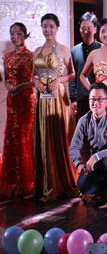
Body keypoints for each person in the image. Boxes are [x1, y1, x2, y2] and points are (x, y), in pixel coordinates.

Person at [30, 13, 79, 201]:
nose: (47, 30)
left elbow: (72, 74)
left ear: (57, 28)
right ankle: (45, 184)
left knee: (59, 136)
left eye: (51, 26)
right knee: (44, 137)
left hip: (58, 97)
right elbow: (34, 74)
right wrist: (36, 81)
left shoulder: (64, 49)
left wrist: (58, 80)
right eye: (45, 26)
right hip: (42, 98)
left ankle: (62, 181)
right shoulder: (36, 50)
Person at [69, 83, 107, 213]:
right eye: (93, 99)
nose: (96, 103)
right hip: (97, 163)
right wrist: (78, 164)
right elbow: (74, 147)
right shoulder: (84, 120)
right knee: (82, 185)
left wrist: (96, 156)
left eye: (100, 99)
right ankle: (103, 192)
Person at [0, 23, 35, 197]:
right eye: (12, 33)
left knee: (25, 138)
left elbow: (35, 81)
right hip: (12, 100)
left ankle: (26, 182)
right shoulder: (7, 57)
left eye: (18, 33)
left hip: (26, 99)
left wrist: (20, 86)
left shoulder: (32, 56)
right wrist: (9, 87)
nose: (15, 37)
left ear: (25, 35)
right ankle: (13, 182)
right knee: (12, 137)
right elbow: (6, 80)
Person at [79, 18, 107, 119]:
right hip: (99, 100)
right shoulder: (93, 54)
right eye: (103, 31)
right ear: (98, 33)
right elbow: (82, 75)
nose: (106, 34)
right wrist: (91, 89)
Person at [70, 12, 101, 119]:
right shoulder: (74, 51)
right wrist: (73, 99)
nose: (86, 31)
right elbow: (72, 76)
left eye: (89, 28)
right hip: (81, 100)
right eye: (83, 28)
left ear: (95, 29)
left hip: (99, 100)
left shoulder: (101, 49)